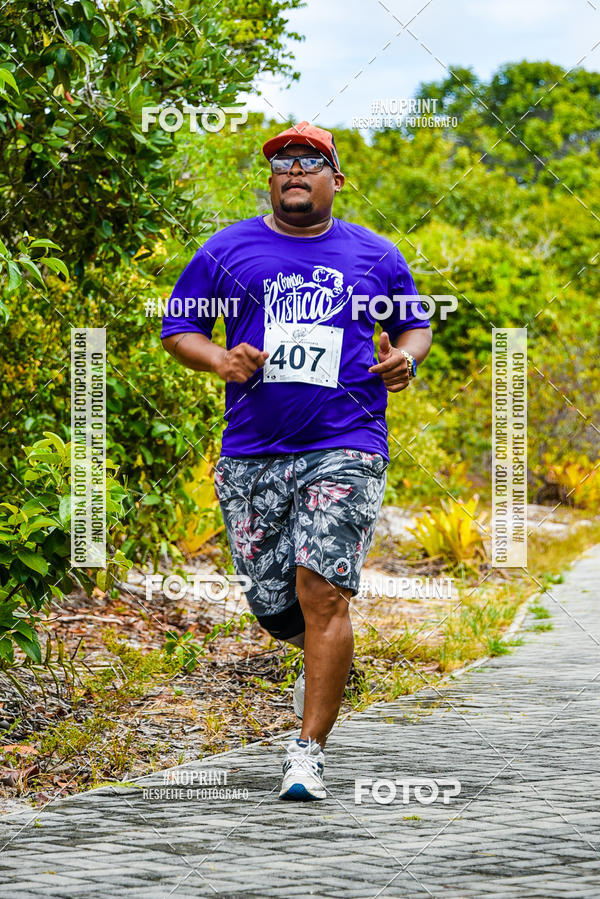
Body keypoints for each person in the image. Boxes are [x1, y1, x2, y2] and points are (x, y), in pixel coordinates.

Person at [161, 120, 432, 801]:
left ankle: (307, 750)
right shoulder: (228, 250)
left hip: (347, 440)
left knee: (321, 588)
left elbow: (414, 323)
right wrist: (220, 357)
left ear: (335, 180)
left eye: (310, 161)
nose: (294, 170)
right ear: (273, 180)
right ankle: (322, 646)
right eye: (283, 161)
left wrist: (405, 358)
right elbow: (179, 325)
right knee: (274, 598)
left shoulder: (375, 254)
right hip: (252, 451)